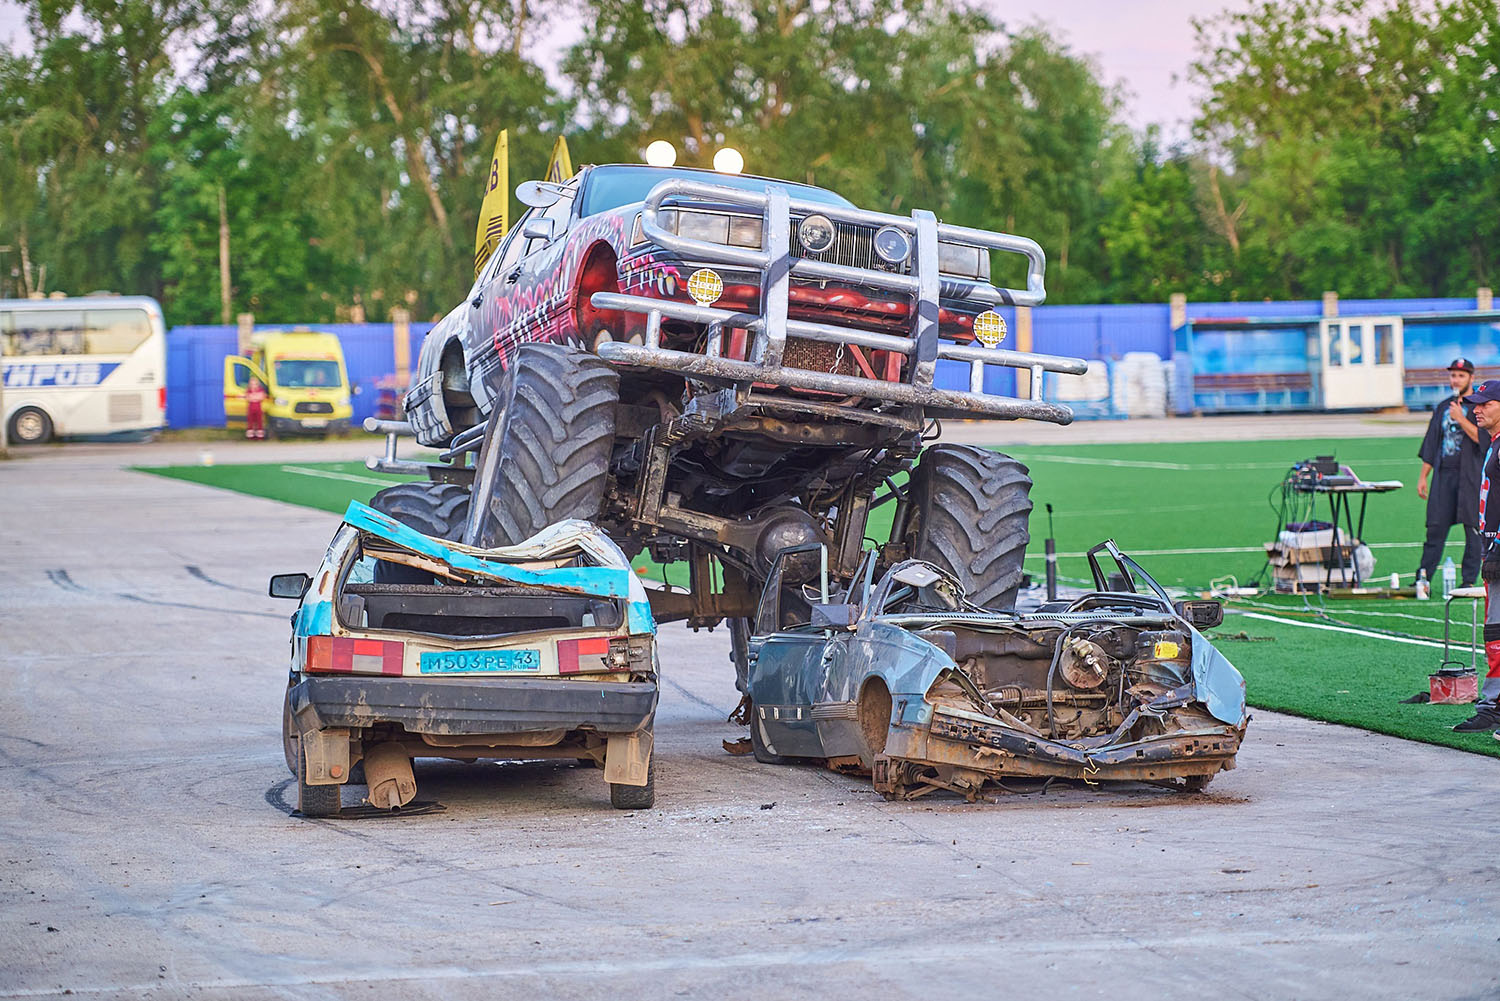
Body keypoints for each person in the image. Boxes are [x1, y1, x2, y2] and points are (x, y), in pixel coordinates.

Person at [1417, 358, 1488, 587]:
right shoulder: (1442, 407)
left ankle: (1468, 581)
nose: (1455, 380)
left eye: (1460, 376)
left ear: (1470, 378)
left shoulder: (1479, 407)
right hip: (1444, 476)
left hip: (1471, 476)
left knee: (1473, 530)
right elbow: (1431, 442)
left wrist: (1460, 418)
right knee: (1435, 527)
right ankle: (1423, 578)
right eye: (1453, 375)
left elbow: (1482, 439)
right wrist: (1423, 476)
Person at [1455, 378, 1500, 733]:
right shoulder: (1494, 443)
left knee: (1496, 632)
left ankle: (1493, 707)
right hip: (1493, 547)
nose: (1476, 409)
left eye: (1485, 403)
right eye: (1475, 403)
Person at [245, 376, 267, 440]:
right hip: (251, 408)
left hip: (258, 408)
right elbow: (248, 398)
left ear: (258, 384)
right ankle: (250, 436)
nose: (253, 385)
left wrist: (254, 397)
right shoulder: (249, 390)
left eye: (255, 384)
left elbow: (262, 397)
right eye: (252, 384)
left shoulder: (260, 390)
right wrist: (256, 397)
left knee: (259, 421)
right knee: (250, 422)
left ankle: (260, 436)